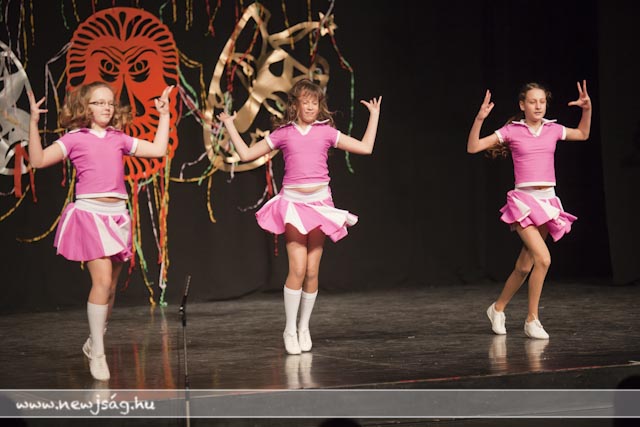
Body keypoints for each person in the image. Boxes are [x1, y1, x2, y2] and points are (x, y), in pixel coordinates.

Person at [218, 78, 382, 354]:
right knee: (297, 268)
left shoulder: (326, 132)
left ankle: (304, 327)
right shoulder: (284, 133)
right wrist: (230, 125)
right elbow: (246, 154)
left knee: (313, 270)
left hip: (319, 204)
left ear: (320, 105)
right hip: (294, 204)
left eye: (314, 102)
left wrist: (374, 116)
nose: (310, 107)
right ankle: (289, 329)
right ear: (295, 104)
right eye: (305, 102)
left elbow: (366, 148)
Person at [28, 82, 174, 380]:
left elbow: (159, 150)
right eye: (99, 102)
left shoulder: (118, 138)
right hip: (90, 215)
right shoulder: (74, 138)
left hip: (117, 216)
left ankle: (95, 339)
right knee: (103, 281)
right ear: (86, 107)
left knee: (111, 287)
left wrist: (164, 115)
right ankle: (98, 352)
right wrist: (32, 122)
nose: (107, 107)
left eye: (110, 102)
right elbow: (38, 160)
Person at [467, 80, 591, 339]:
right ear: (522, 105)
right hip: (523, 202)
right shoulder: (512, 131)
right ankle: (532, 319)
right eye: (533, 102)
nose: (538, 106)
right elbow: (473, 147)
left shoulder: (553, 129)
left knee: (524, 267)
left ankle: (497, 308)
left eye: (542, 101)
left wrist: (586, 110)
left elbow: (582, 134)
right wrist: (479, 119)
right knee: (543, 259)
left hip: (547, 203)